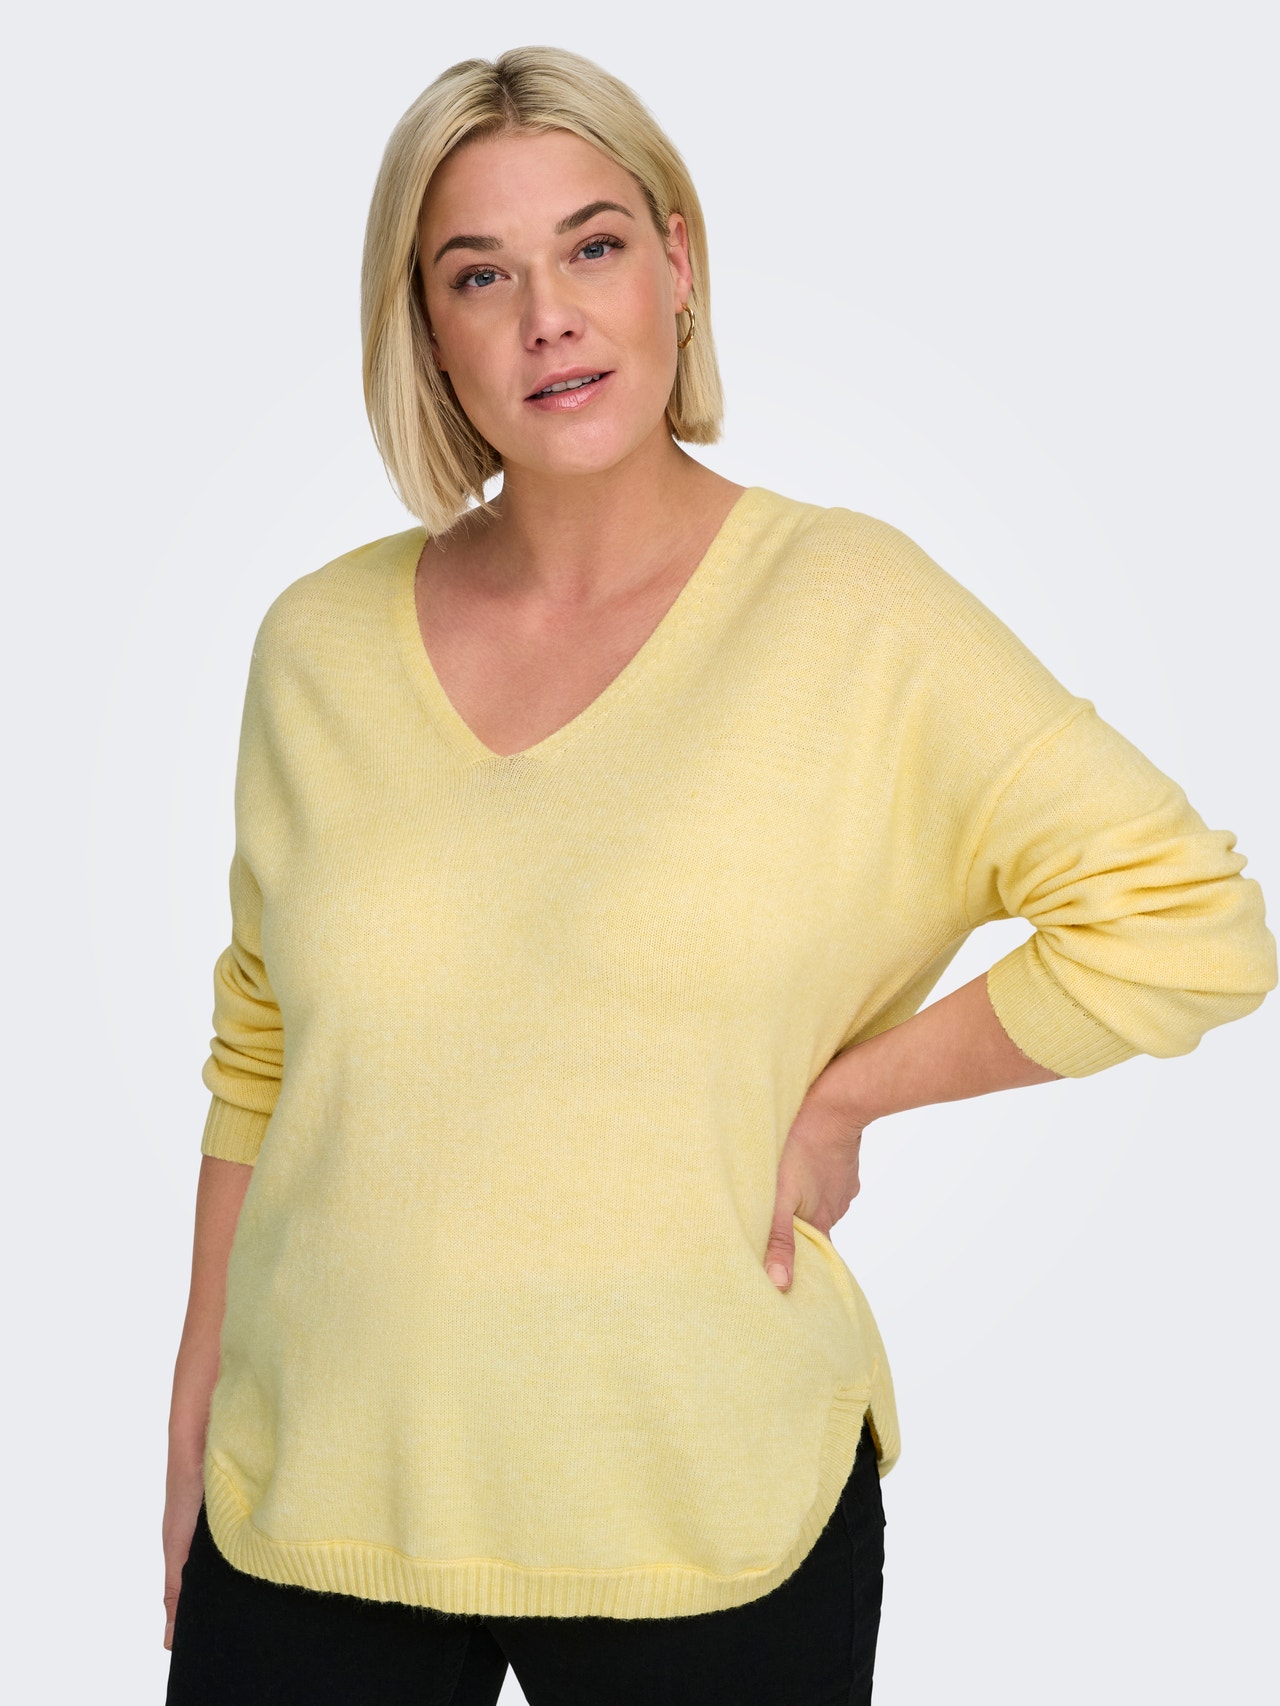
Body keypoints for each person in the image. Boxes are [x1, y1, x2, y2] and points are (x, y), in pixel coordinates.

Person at [161, 44, 1276, 1706]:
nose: (549, 317)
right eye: (481, 274)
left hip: (707, 1506)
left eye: (595, 246)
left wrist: (853, 1092)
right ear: (426, 328)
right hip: (312, 1495)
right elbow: (262, 1045)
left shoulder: (851, 610)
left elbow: (1186, 919)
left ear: (678, 263)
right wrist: (193, 1413)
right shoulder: (316, 642)